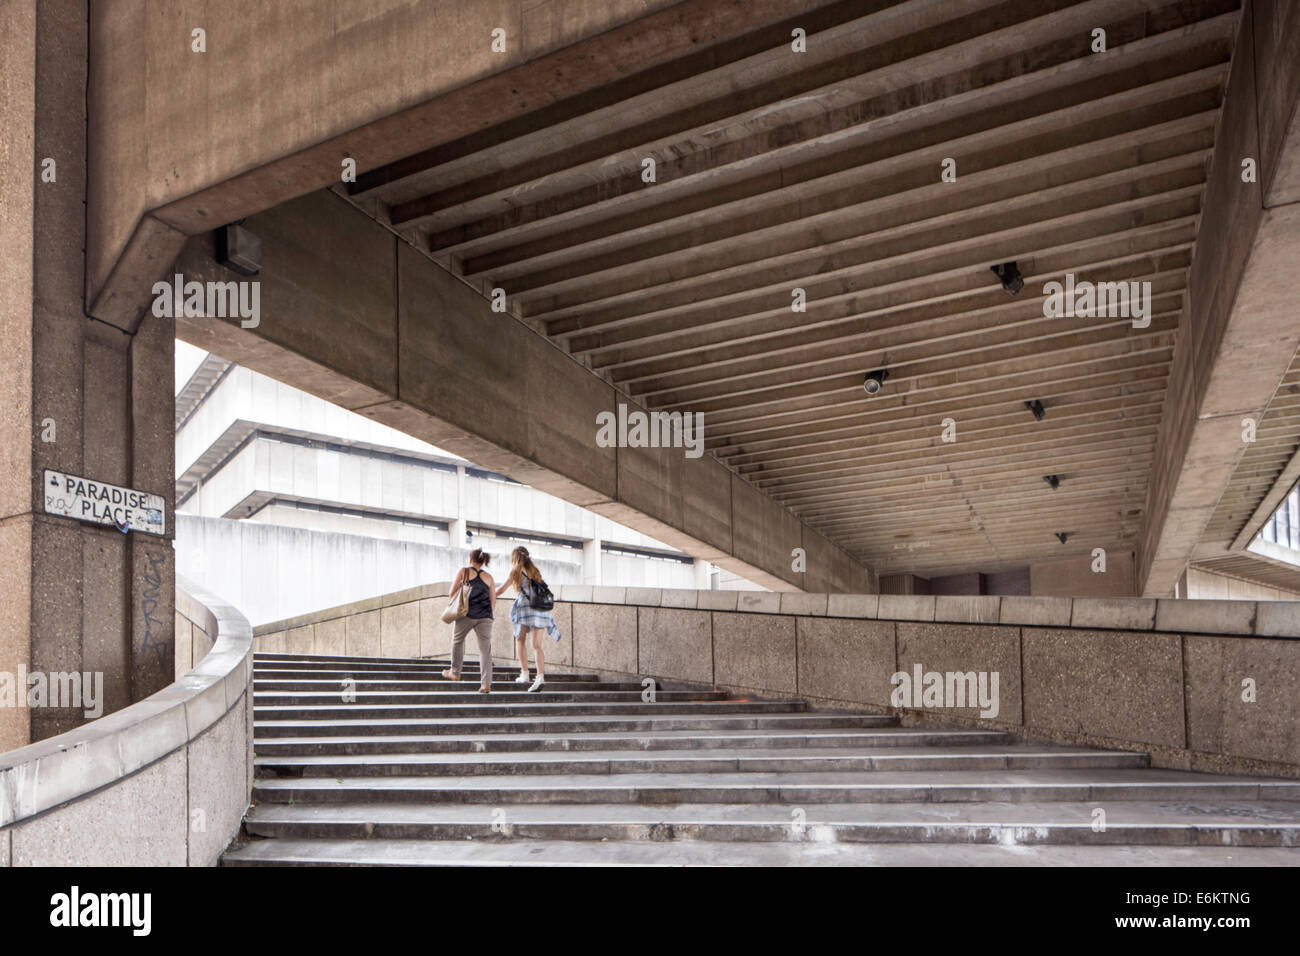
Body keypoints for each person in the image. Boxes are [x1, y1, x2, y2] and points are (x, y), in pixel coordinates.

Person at [496, 546, 561, 692]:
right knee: (537, 645)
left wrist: (489, 595)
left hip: (525, 608)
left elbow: (500, 590)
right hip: (540, 609)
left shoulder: (515, 571)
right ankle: (540, 677)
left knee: (520, 640)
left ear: (515, 558)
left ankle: (525, 674)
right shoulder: (535, 571)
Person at [444, 549, 495, 693]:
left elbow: (451, 593)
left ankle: (455, 672)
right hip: (485, 616)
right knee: (485, 649)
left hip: (466, 614)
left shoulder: (464, 571)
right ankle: (486, 684)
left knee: (457, 640)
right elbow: (493, 601)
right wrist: (488, 616)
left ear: (470, 559)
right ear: (483, 561)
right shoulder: (489, 577)